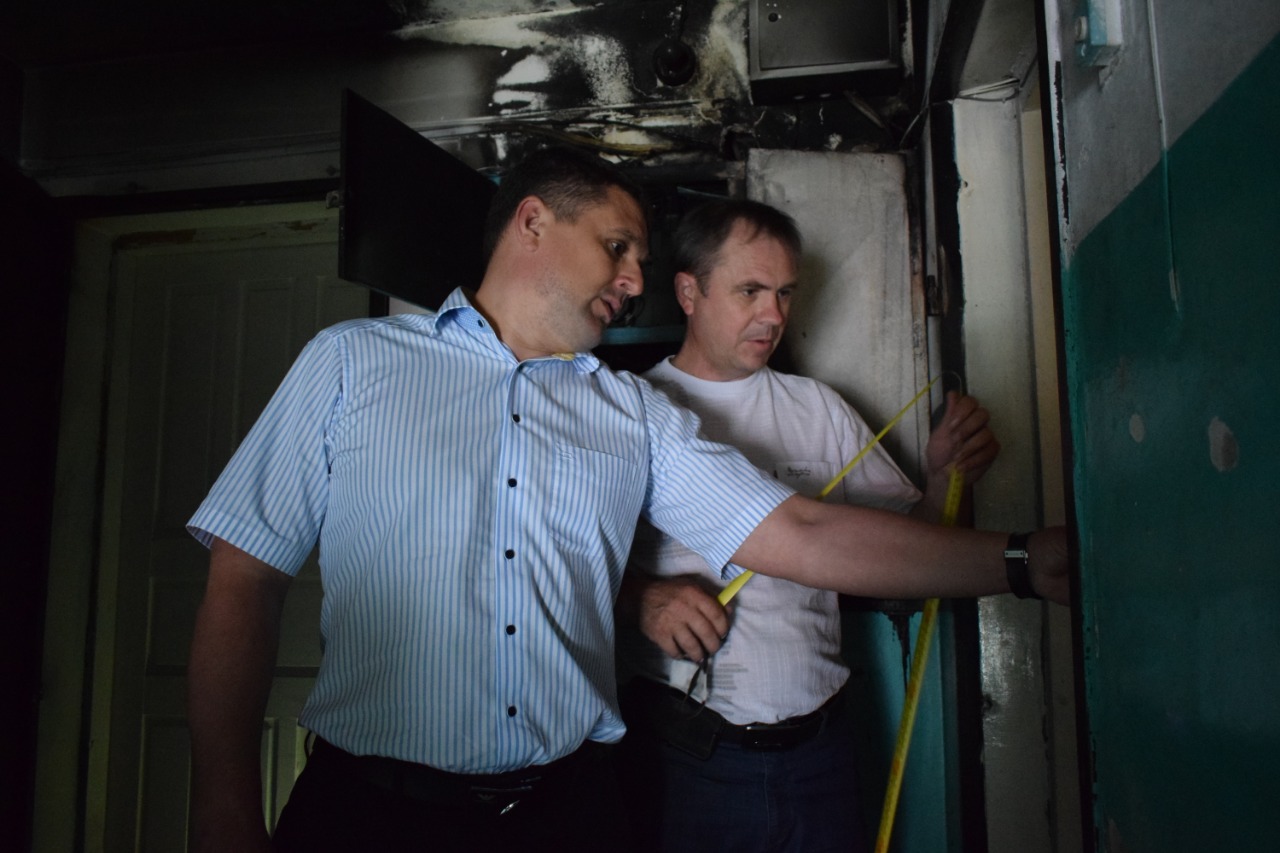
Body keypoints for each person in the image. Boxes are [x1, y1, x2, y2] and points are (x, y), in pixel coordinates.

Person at [185, 147, 1069, 853]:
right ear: (533, 221)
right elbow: (244, 580)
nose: (638, 279)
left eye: (643, 259)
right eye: (618, 247)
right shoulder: (352, 363)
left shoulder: (630, 411)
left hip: (569, 815)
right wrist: (224, 806)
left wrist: (1022, 559)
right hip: (373, 814)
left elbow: (799, 533)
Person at [614, 199, 1007, 852]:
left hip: (821, 752)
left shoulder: (818, 409)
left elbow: (913, 561)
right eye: (750, 291)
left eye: (785, 293)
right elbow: (551, 568)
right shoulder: (627, 413)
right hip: (685, 757)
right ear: (688, 291)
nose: (774, 315)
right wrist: (638, 597)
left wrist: (945, 479)